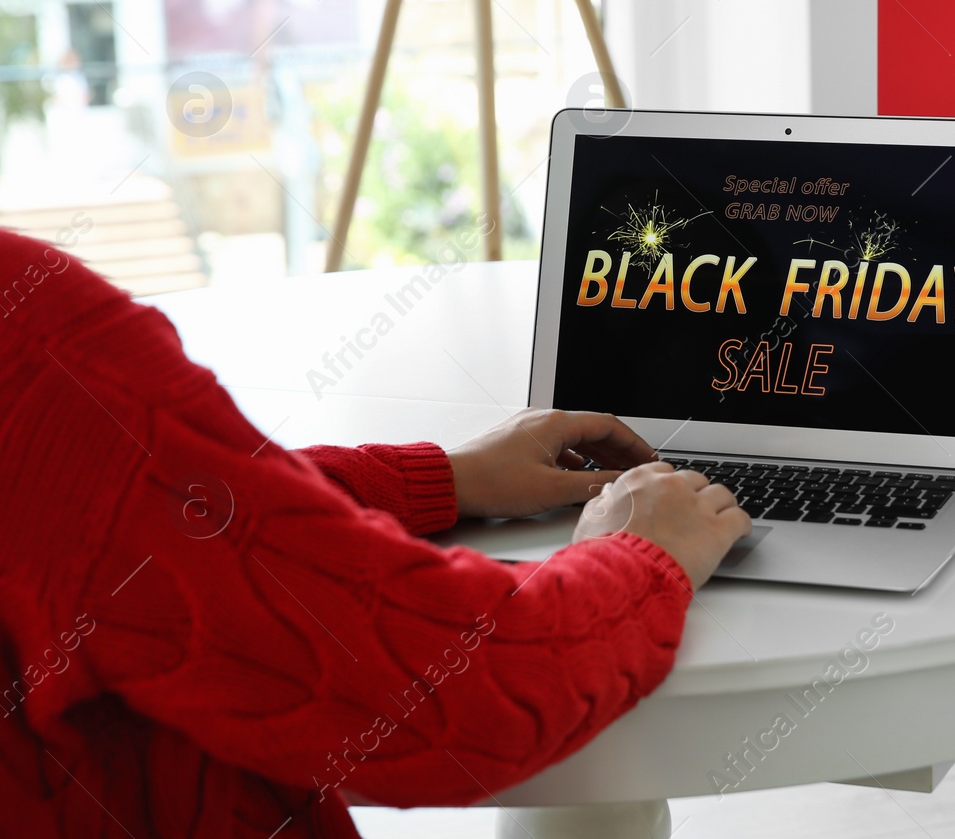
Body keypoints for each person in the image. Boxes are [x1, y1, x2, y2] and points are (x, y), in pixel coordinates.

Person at [0, 226, 751, 837]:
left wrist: (436, 478)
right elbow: (458, 694)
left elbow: (105, 520)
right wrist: (639, 554)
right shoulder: (36, 334)